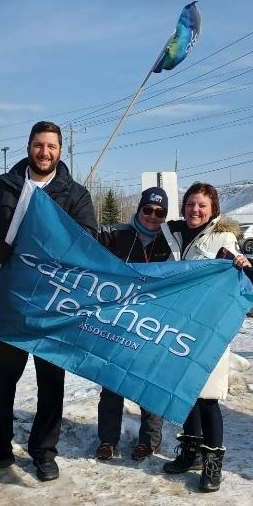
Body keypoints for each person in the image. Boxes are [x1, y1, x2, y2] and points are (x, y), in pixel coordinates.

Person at [0, 121, 97, 482]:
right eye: (39, 145)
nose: (45, 152)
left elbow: (88, 236)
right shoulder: (2, 186)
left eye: (52, 146)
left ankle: (44, 451)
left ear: (60, 151)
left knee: (50, 379)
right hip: (9, 298)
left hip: (51, 304)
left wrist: (58, 239)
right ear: (28, 147)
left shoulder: (74, 194)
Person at [161, 182, 253, 492]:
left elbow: (248, 277)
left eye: (202, 205)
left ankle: (212, 463)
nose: (195, 210)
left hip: (209, 327)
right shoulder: (172, 235)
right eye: (191, 204)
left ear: (213, 209)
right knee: (186, 392)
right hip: (179, 325)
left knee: (207, 396)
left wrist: (248, 266)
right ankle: (190, 452)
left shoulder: (223, 237)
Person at [95, 187, 172, 461]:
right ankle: (108, 440)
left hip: (151, 324)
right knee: (112, 383)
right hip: (117, 322)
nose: (152, 216)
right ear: (139, 210)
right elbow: (83, 241)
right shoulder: (117, 235)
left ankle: (149, 441)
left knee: (149, 384)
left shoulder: (169, 242)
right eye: (147, 210)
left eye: (159, 212)